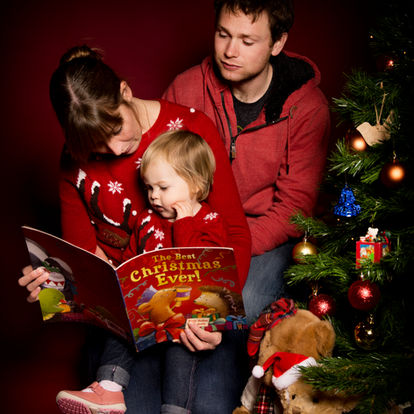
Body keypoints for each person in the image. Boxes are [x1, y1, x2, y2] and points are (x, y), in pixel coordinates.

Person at [19, 45, 251, 414]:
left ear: (126, 91)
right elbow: (83, 258)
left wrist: (215, 317)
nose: (114, 148)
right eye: (98, 145)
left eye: (115, 129)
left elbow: (233, 235)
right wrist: (55, 282)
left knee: (207, 404)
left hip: (193, 317)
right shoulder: (74, 159)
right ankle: (108, 386)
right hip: (124, 325)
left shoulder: (190, 130)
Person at [163, 0, 331, 324]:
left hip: (265, 234)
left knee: (242, 303)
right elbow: (156, 169)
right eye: (223, 35)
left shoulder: (308, 108)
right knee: (170, 306)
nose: (230, 51)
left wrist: (228, 245)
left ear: (277, 43)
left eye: (247, 41)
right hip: (192, 228)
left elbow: (294, 209)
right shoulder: (184, 89)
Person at [55, 129, 231, 414]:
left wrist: (184, 223)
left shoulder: (209, 221)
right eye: (149, 188)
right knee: (120, 322)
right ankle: (109, 389)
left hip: (187, 320)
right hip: (148, 312)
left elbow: (197, 266)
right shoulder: (146, 219)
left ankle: (176, 409)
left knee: (182, 352)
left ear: (196, 185)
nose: (153, 197)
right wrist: (115, 275)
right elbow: (130, 259)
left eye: (163, 188)